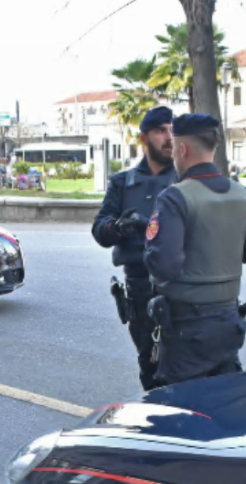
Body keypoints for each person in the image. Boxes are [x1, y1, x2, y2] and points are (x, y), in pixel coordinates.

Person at [143, 113, 246, 386]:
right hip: (229, 322)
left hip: (187, 328)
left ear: (182, 149)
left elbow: (165, 265)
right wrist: (223, 249)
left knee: (181, 413)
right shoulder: (242, 194)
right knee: (227, 400)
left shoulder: (175, 197)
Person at [92, 106, 177, 391]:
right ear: (144, 138)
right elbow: (100, 229)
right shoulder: (123, 183)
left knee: (188, 367)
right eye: (160, 131)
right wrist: (119, 227)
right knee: (151, 368)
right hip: (141, 288)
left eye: (171, 130)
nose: (169, 137)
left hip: (182, 285)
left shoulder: (186, 180)